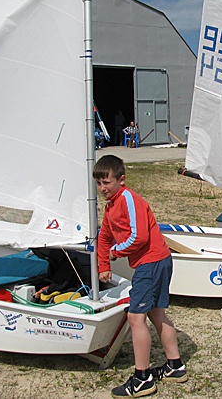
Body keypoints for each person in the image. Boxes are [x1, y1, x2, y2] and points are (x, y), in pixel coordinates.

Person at [94, 155, 186, 397]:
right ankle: (175, 366)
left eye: (107, 183)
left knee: (136, 317)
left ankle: (142, 378)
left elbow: (139, 237)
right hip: (152, 262)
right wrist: (103, 264)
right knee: (156, 312)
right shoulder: (110, 205)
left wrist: (115, 253)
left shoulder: (128, 199)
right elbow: (104, 237)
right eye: (99, 183)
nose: (102, 189)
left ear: (121, 180)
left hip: (153, 261)